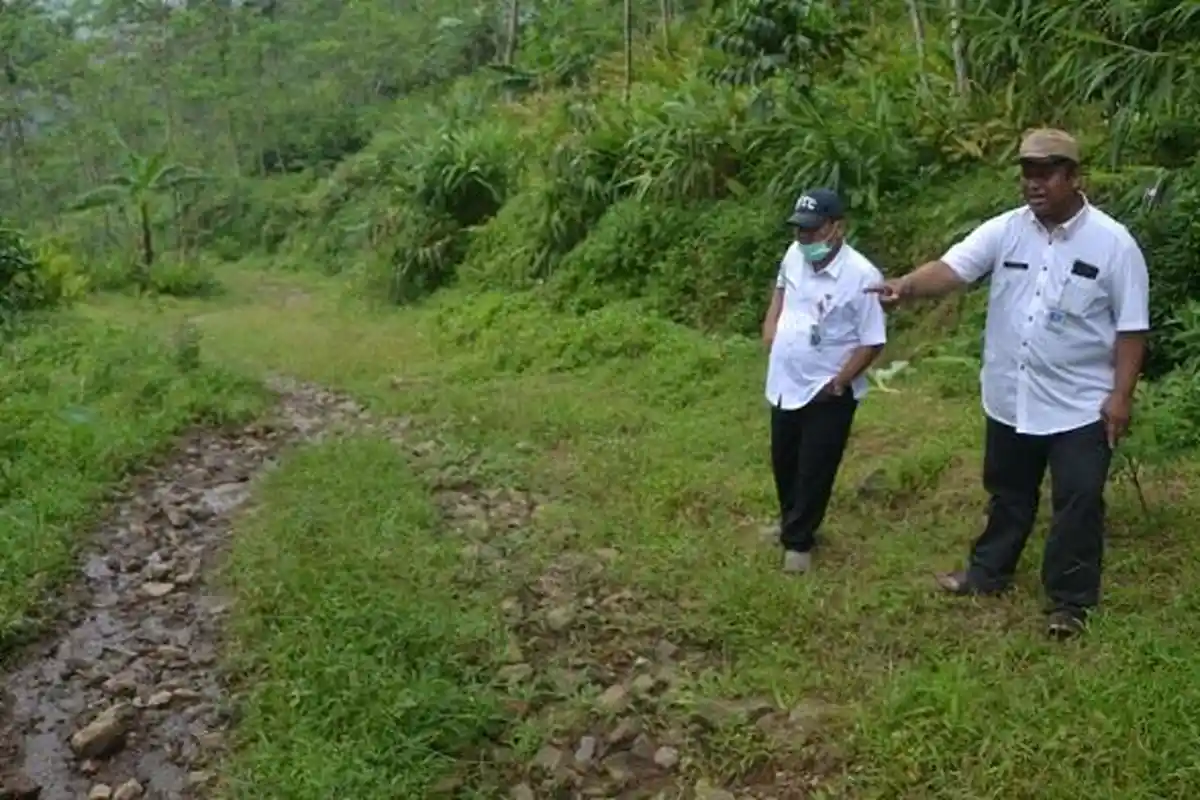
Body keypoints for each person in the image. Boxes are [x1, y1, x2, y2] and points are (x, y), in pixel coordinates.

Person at [865, 128, 1150, 639]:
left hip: (1081, 403)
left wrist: (1121, 396)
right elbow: (953, 269)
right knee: (1008, 492)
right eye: (1027, 173)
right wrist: (905, 287)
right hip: (1011, 395)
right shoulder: (1006, 230)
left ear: (1073, 176)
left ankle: (1070, 603)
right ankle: (988, 573)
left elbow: (1132, 329)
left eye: (1046, 173)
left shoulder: (1114, 244)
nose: (1034, 183)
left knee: (1078, 500)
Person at [762, 188, 887, 574]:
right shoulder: (794, 255)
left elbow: (872, 341)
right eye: (800, 230)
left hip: (828, 389)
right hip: (785, 380)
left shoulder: (862, 276)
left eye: (813, 230)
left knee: (815, 467)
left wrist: (839, 382)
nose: (805, 238)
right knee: (784, 459)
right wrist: (770, 326)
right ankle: (790, 521)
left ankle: (799, 542)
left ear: (837, 228)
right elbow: (780, 290)